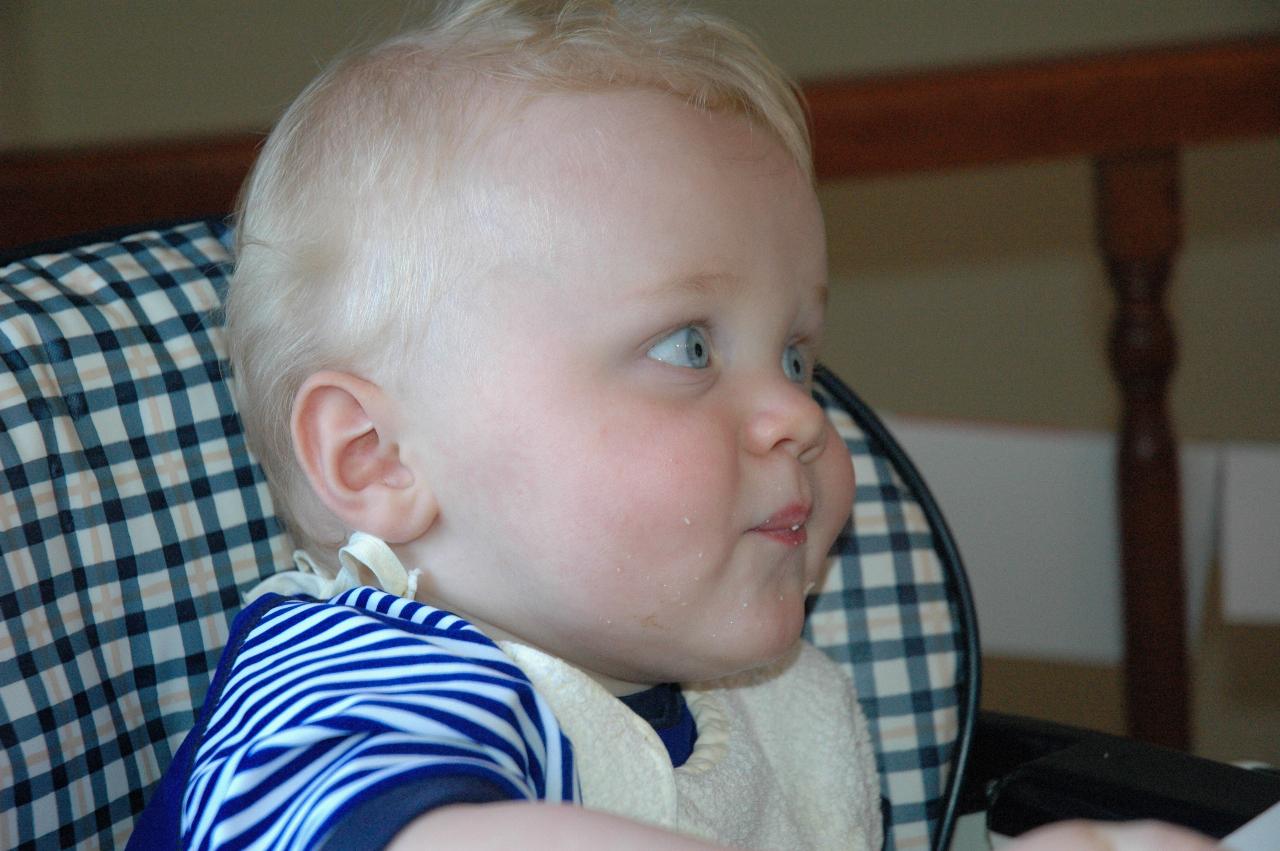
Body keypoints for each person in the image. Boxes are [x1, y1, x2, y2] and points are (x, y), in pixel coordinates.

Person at [129, 2, 1218, 849]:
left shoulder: (741, 696)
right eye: (688, 346)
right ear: (378, 458)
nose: (799, 411)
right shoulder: (350, 682)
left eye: (795, 354)